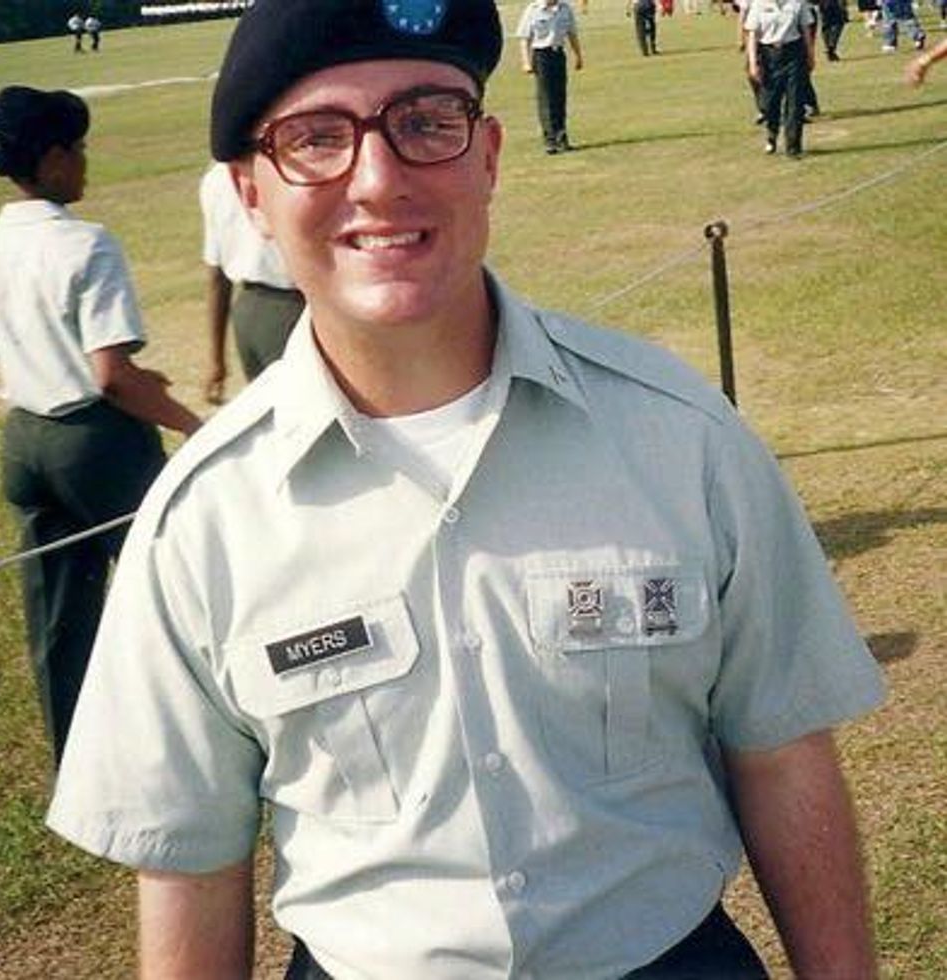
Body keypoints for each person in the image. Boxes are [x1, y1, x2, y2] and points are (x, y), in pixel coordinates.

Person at [47, 2, 885, 978]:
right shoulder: (201, 518)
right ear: (249, 195)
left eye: (425, 120)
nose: (378, 178)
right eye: (315, 139)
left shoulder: (682, 437)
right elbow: (191, 869)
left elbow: (781, 754)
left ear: (486, 154)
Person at [0, 87, 202, 767]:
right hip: (94, 443)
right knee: (173, 584)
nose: (85, 162)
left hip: (26, 439)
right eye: (77, 150)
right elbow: (110, 377)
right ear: (51, 159)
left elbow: (29, 346)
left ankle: (75, 761)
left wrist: (136, 378)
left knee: (58, 616)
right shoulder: (86, 243)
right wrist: (193, 424)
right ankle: (192, 737)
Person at [199, 161, 305, 404]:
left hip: (248, 313)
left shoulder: (215, 178)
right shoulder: (281, 167)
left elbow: (216, 275)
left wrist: (216, 359)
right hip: (293, 308)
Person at [745, 0, 816, 156]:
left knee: (795, 101)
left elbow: (806, 30)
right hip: (769, 55)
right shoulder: (758, 5)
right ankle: (772, 133)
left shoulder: (797, 3)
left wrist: (810, 54)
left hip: (794, 53)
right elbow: (752, 35)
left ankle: (793, 146)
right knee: (770, 102)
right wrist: (753, 63)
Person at [516, 0, 584, 153]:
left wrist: (578, 55)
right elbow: (524, 38)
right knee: (546, 98)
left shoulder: (565, 8)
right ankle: (550, 140)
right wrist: (526, 62)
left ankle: (562, 137)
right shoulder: (533, 9)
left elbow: (572, 33)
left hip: (558, 54)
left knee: (560, 97)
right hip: (542, 56)